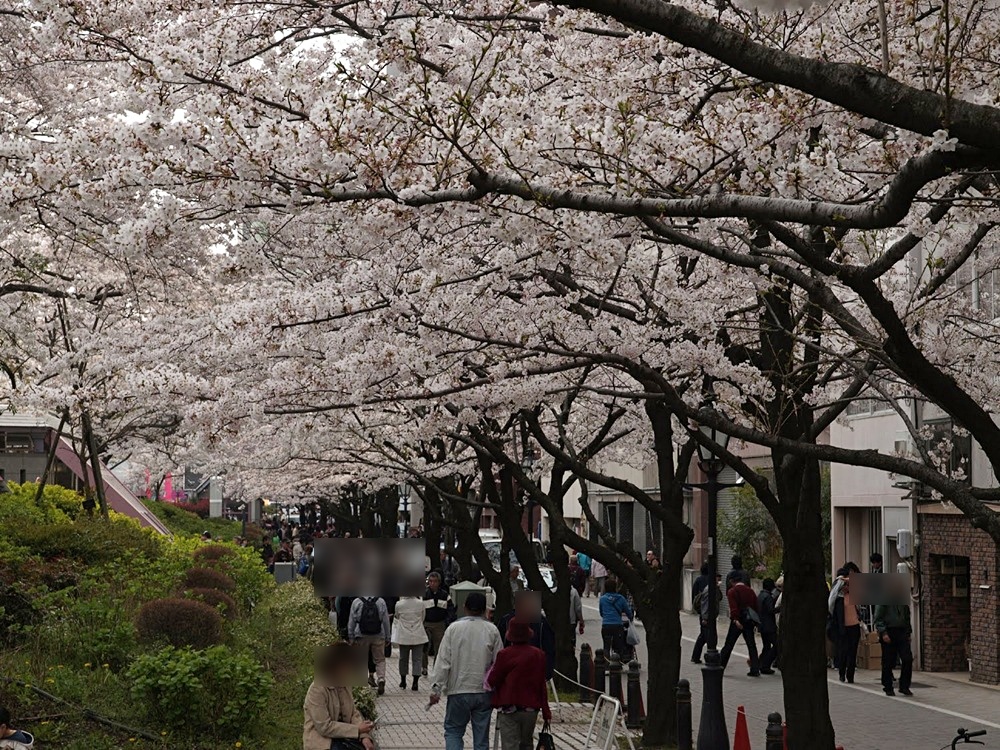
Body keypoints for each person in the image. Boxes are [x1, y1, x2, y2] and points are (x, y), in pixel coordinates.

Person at [429, 592, 504, 750]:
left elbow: (443, 661)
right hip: (483, 691)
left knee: (453, 731)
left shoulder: (453, 629)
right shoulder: (492, 630)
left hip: (458, 690)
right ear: (485, 609)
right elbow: (499, 662)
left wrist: (436, 689)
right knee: (481, 737)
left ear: (464, 607)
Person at [486, 620, 552, 750]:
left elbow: (493, 680)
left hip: (509, 707)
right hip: (531, 709)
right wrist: (546, 711)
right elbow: (541, 685)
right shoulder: (538, 654)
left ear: (510, 636)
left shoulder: (504, 654)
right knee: (527, 744)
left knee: (510, 745)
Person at [302, 643, 375, 750]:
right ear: (335, 665)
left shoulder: (345, 683)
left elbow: (353, 714)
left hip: (345, 738)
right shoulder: (317, 689)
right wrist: (357, 730)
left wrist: (364, 736)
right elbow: (324, 727)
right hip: (323, 742)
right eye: (347, 666)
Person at [496, 591, 557, 680]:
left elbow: (499, 644)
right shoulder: (542, 622)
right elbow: (549, 647)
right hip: (535, 670)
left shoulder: (507, 620)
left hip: (510, 672)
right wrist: (547, 673)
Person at [349, 595, 391, 695]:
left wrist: (351, 636)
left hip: (361, 635)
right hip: (378, 635)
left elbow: (352, 620)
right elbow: (385, 620)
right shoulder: (381, 601)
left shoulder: (357, 602)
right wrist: (388, 636)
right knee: (380, 659)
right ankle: (381, 679)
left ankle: (361, 686)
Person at [720, 577, 760, 676]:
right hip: (749, 621)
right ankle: (755, 668)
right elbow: (755, 606)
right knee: (751, 645)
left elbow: (733, 608)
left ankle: (720, 666)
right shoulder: (750, 591)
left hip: (737, 621)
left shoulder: (732, 591)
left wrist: (735, 619)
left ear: (732, 582)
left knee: (729, 644)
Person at [829, 565, 862, 683]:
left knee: (853, 653)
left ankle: (850, 676)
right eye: (847, 584)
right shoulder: (838, 600)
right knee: (843, 651)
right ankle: (842, 673)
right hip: (843, 628)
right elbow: (832, 609)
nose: (848, 586)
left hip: (854, 627)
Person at [874, 601, 913, 696]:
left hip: (902, 631)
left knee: (907, 658)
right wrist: (883, 632)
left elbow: (907, 616)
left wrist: (908, 632)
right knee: (888, 661)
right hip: (889, 630)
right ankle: (888, 687)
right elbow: (878, 617)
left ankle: (904, 686)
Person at [393, 593, 429, 691]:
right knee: (417, 659)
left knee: (403, 658)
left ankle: (403, 680)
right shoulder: (421, 604)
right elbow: (423, 617)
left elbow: (397, 616)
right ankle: (415, 682)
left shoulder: (399, 604)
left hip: (404, 634)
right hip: (418, 633)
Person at [424, 571, 454, 676]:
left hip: (439, 624)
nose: (433, 584)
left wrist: (447, 621)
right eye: (430, 581)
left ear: (439, 582)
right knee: (425, 646)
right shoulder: (424, 594)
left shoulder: (444, 595)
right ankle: (424, 667)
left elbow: (451, 609)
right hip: (426, 623)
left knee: (439, 647)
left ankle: (436, 667)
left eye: (435, 581)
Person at [598, 579, 634, 659]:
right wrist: (630, 619)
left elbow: (601, 613)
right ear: (615, 587)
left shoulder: (603, 599)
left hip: (606, 625)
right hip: (617, 625)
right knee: (619, 647)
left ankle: (606, 664)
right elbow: (628, 612)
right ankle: (618, 664)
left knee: (606, 647)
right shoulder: (621, 598)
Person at [757, 578, 778, 675]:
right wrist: (780, 608)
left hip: (762, 625)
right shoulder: (768, 597)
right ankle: (765, 665)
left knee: (766, 646)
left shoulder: (760, 595)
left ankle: (759, 663)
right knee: (777, 645)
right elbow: (771, 610)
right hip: (769, 626)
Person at [568, 582, 585, 647]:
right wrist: (581, 620)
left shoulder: (554, 591)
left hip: (558, 622)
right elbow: (578, 608)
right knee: (572, 641)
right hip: (571, 620)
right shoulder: (573, 591)